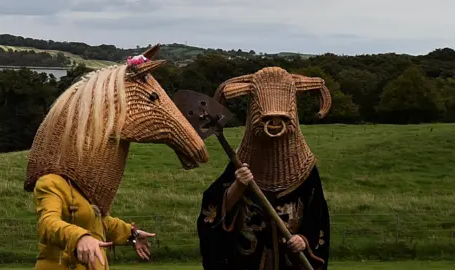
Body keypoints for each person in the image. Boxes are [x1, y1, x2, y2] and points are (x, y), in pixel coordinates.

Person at [24, 44, 209, 270]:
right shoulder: (50, 184)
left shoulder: (85, 193)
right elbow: (48, 223)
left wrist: (131, 234)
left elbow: (100, 222)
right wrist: (79, 238)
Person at [197, 67, 331, 270]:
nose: (274, 122)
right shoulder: (239, 166)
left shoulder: (306, 171)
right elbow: (212, 210)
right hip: (247, 261)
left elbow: (317, 216)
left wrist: (304, 239)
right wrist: (237, 187)